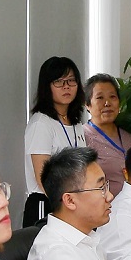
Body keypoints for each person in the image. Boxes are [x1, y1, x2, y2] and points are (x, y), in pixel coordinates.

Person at [23, 56, 86, 227]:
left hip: (71, 203)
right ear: (47, 86)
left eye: (71, 80)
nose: (66, 86)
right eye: (58, 81)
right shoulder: (41, 123)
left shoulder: (76, 123)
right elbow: (42, 177)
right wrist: (67, 203)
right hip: (47, 203)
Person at [83, 73, 131, 197]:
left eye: (112, 97)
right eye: (100, 98)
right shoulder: (81, 138)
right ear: (87, 104)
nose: (107, 103)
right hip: (103, 206)